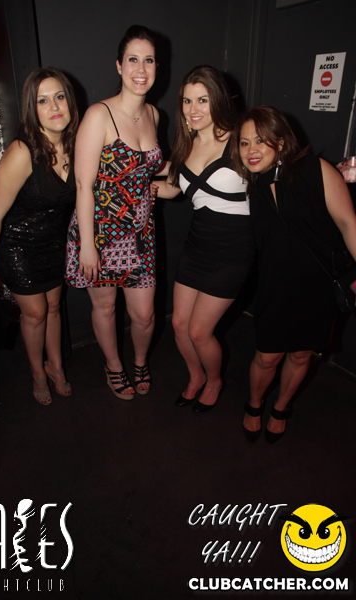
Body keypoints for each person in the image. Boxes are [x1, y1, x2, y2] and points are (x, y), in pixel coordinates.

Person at [231, 105, 356, 442]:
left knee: (301, 354)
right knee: (266, 356)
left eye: (260, 140)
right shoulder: (253, 184)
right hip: (275, 285)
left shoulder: (316, 170)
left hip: (318, 285)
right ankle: (254, 404)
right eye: (244, 143)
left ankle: (281, 407)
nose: (252, 150)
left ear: (282, 141)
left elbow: (349, 223)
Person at [0, 67, 78, 406]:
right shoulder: (22, 151)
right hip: (18, 246)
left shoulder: (77, 144)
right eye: (43, 101)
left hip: (55, 243)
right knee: (36, 313)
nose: (54, 106)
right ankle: (37, 373)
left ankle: (56, 366)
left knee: (54, 307)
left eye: (59, 97)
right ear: (32, 108)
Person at [65, 25, 162, 399]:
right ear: (119, 66)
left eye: (149, 60)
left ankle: (139, 361)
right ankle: (114, 366)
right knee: (105, 308)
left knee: (144, 315)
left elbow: (147, 168)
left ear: (157, 67)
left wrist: (154, 186)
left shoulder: (154, 114)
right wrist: (88, 246)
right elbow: (83, 185)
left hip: (141, 233)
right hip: (101, 231)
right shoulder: (98, 115)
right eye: (133, 60)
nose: (141, 69)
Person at [153, 65, 255, 412]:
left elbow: (276, 169)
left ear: (219, 100)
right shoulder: (188, 142)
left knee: (199, 331)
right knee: (179, 324)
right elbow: (175, 187)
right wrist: (142, 188)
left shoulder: (240, 138)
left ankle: (214, 381)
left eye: (202, 100)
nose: (193, 109)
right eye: (187, 101)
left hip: (233, 251)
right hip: (197, 246)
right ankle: (195, 376)